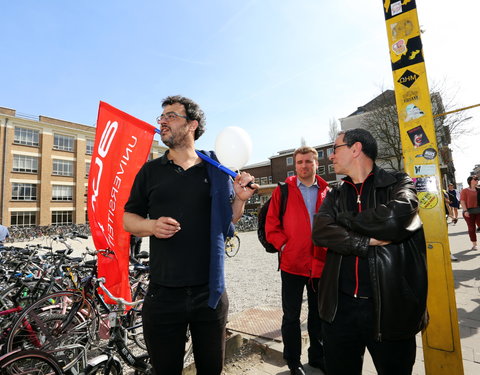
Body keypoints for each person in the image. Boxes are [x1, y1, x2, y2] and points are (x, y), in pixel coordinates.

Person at [123, 95, 258, 375]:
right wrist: (151, 226)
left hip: (208, 294)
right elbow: (128, 219)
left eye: (171, 116)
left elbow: (226, 223)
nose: (162, 122)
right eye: (161, 117)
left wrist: (241, 200)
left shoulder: (216, 168)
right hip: (163, 295)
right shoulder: (150, 171)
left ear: (192, 124)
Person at [312, 128, 428, 375]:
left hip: (389, 310)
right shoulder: (335, 193)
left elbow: (398, 218)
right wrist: (365, 242)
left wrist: (345, 220)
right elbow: (321, 231)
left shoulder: (398, 182)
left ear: (356, 149)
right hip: (339, 311)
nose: (331, 156)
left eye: (335, 149)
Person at [265, 146, 329, 375]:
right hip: (292, 264)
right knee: (291, 315)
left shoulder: (327, 190)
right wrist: (285, 246)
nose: (304, 166)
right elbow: (271, 225)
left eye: (308, 162)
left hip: (320, 264)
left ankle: (317, 356)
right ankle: (293, 362)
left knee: (318, 315)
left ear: (316, 164)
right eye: (300, 162)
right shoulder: (283, 190)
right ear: (295, 164)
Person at [460, 175, 480, 250]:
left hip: (478, 211)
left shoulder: (479, 190)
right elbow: (462, 201)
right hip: (469, 211)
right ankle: (474, 244)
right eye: (475, 179)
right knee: (472, 228)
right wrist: (465, 211)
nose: (477, 180)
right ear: (470, 181)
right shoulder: (465, 191)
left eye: (477, 179)